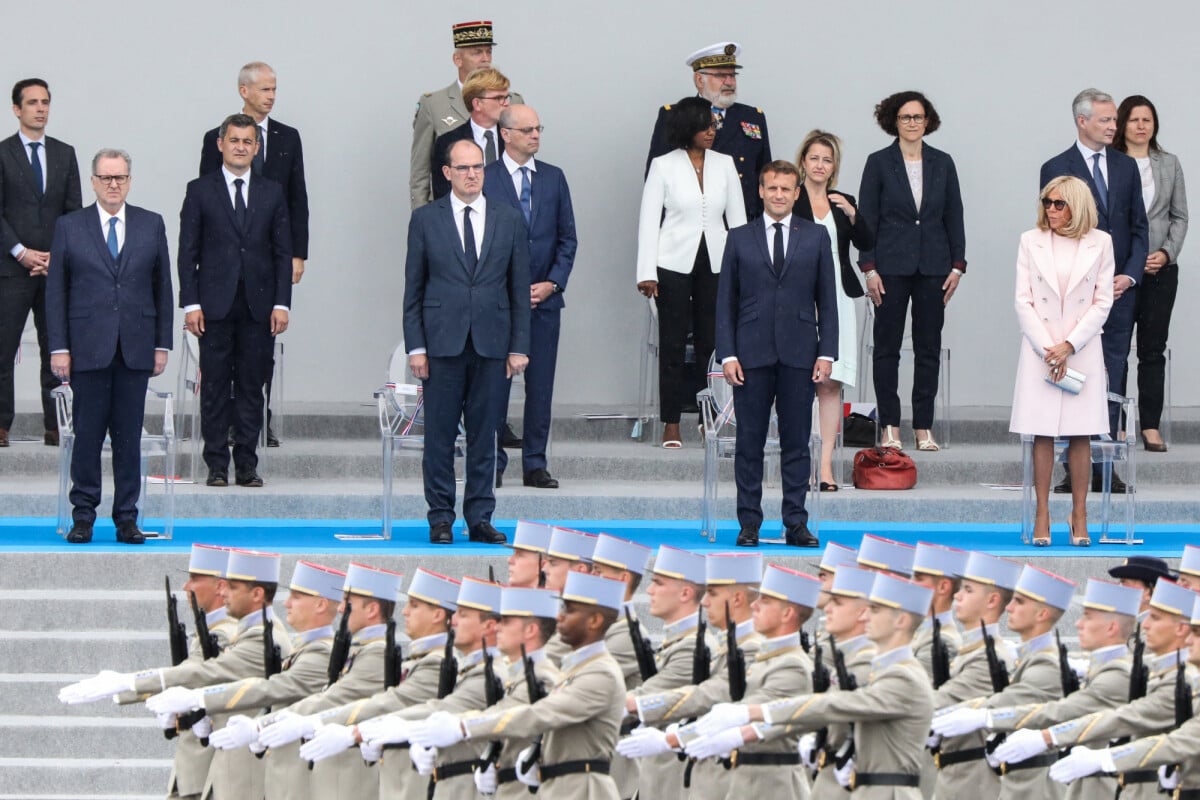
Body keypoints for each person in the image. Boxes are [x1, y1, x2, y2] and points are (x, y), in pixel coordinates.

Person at [59, 549, 291, 800]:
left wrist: (127, 683)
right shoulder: (244, 631)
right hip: (219, 766)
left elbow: (202, 674)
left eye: (196, 578)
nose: (187, 586)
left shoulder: (247, 634)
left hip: (234, 769)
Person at [686, 571, 936, 799]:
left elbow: (834, 705)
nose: (867, 615)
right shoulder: (884, 671)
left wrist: (754, 712)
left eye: (876, 609)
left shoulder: (904, 677)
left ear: (901, 620)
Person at [402, 138, 530, 545]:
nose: (472, 174)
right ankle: (440, 518)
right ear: (447, 173)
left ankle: (479, 517)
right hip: (441, 344)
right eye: (463, 168)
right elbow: (414, 289)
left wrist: (519, 345)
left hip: (492, 343)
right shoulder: (426, 219)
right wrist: (416, 347)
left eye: (477, 167)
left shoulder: (508, 218)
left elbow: (518, 288)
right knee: (439, 437)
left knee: (485, 435)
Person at [405, 571, 630, 800]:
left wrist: (464, 727)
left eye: (569, 610)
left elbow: (541, 715)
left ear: (595, 620)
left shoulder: (601, 673)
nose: (560, 617)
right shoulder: (575, 670)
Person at [44, 148, 173, 544]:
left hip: (135, 347)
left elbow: (163, 288)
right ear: (94, 181)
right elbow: (56, 292)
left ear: (130, 181)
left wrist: (161, 344)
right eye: (106, 178)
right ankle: (83, 515)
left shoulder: (151, 224)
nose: (114, 185)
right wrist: (59, 347)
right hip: (87, 348)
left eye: (120, 178)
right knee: (87, 436)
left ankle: (127, 518)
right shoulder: (70, 226)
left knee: (128, 438)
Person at [146, 560, 345, 800]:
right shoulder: (298, 647)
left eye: (297, 597)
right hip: (242, 772)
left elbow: (269, 690)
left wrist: (195, 700)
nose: (287, 602)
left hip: (254, 777)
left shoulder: (310, 650)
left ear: (321, 604)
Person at [716, 161, 836, 547]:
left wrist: (828, 352)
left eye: (786, 189)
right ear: (761, 191)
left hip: (801, 352)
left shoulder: (816, 237)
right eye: (772, 188)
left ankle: (795, 523)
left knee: (796, 442)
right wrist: (727, 354)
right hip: (749, 354)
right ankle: (749, 522)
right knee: (749, 442)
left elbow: (828, 301)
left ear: (797, 192)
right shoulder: (738, 237)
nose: (779, 195)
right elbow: (725, 303)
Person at [1041, 88, 1149, 494]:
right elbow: (1053, 231)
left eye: (1114, 120)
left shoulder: (1126, 167)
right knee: (1075, 374)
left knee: (1114, 371)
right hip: (1076, 297)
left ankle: (1106, 467)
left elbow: (1139, 227)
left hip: (1119, 292)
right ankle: (1075, 466)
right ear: (1081, 121)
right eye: (1105, 120)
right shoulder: (1056, 166)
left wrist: (1130, 274)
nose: (1113, 127)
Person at [199, 61, 310, 447]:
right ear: (244, 91)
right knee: (221, 358)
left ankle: (258, 421)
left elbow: (298, 197)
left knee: (260, 352)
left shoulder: (287, 137)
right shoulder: (219, 136)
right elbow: (206, 196)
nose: (272, 96)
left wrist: (298, 254)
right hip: (227, 269)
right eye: (265, 89)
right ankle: (226, 424)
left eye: (275, 89)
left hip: (268, 262)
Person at [178, 113, 292, 489]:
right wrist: (190, 304)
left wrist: (282, 303)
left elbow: (281, 252)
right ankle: (216, 464)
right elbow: (186, 251)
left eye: (248, 142)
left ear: (256, 148)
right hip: (213, 306)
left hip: (260, 307)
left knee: (251, 385)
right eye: (234, 140)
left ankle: (246, 463)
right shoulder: (199, 190)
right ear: (220, 144)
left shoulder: (272, 191)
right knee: (213, 386)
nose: (241, 147)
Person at [858, 90, 966, 452]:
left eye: (918, 117)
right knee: (886, 347)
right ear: (893, 121)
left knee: (928, 348)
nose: (912, 124)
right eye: (905, 117)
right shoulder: (878, 162)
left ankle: (923, 426)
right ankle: (889, 424)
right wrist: (869, 268)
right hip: (889, 268)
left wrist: (958, 266)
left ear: (928, 121)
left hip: (934, 267)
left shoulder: (943, 162)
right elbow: (866, 219)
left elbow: (954, 215)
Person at [1010, 176, 1114, 547]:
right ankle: (1042, 513)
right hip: (1042, 350)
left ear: (1077, 206)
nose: (1051, 210)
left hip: (1081, 348)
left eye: (1059, 203)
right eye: (1047, 202)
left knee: (1080, 432)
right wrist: (1048, 348)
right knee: (1041, 432)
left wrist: (1070, 344)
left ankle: (1079, 513)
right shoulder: (1029, 240)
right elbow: (1023, 300)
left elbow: (1103, 301)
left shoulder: (1101, 243)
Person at [639, 97, 746, 449]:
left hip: (716, 262)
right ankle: (671, 422)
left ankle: (709, 418)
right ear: (688, 128)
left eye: (713, 125)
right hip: (671, 263)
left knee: (711, 344)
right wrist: (646, 271)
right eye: (704, 126)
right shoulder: (663, 165)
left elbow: (739, 222)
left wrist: (746, 270)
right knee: (671, 344)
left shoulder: (726, 164)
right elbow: (649, 220)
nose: (711, 132)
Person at [485, 105, 577, 490]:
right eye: (527, 130)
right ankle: (492, 462)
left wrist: (553, 283)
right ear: (505, 134)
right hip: (500, 303)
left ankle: (535, 463)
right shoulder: (486, 178)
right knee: (494, 387)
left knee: (541, 387)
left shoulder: (553, 178)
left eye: (539, 129)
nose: (535, 136)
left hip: (544, 302)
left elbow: (567, 238)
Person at [254, 562, 401, 798]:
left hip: (349, 783)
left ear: (372, 609)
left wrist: (264, 724)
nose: (341, 609)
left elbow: (334, 699)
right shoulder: (357, 651)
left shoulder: (375, 654)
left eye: (348, 602)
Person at [931, 565, 1074, 798]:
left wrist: (949, 715)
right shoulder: (1028, 658)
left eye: (1019, 602)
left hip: (1034, 789)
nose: (1008, 608)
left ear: (1041, 614)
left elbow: (1005, 702)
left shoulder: (1046, 665)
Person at [0, 78, 81, 448]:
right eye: (32, 102)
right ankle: (1, 424)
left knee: (57, 348)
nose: (40, 108)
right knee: (3, 347)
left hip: (53, 269)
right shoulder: (2, 153)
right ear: (17, 109)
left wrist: (56, 257)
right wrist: (21, 252)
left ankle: (56, 424)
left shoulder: (65, 153)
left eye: (45, 101)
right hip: (11, 268)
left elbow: (73, 212)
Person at [792, 130, 874, 490]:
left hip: (838, 297)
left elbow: (868, 243)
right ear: (803, 162)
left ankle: (824, 467)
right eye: (814, 158)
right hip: (798, 298)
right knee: (798, 382)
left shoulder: (843, 200)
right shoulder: (789, 198)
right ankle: (800, 464)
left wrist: (854, 215)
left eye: (827, 159)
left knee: (830, 384)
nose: (820, 165)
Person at [1112, 95, 1188, 453]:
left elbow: (1179, 216)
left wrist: (1165, 252)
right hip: (1120, 271)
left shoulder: (1169, 164)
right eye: (1134, 120)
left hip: (1161, 271)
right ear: (1122, 124)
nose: (1141, 126)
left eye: (1148, 120)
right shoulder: (1111, 162)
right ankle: (1118, 425)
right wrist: (1130, 259)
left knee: (1152, 350)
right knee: (1116, 349)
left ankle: (1151, 425)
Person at [930, 551, 1019, 800]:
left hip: (971, 783)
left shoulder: (987, 658)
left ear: (992, 600)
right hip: (957, 777)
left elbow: (936, 703)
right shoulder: (973, 650)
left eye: (968, 590)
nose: (957, 595)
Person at [645, 42, 770, 220]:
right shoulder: (673, 116)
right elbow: (656, 181)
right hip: (690, 225)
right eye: (720, 75)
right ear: (699, 80)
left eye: (732, 75)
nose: (729, 82)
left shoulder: (752, 117)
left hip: (743, 222)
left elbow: (766, 176)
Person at [410, 20, 524, 210]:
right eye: (477, 52)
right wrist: (423, 219)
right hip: (455, 211)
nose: (485, 59)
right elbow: (420, 171)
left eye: (488, 51)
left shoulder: (512, 101)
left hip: (507, 212)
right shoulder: (434, 104)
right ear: (457, 60)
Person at [430, 67, 512, 201]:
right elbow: (443, 194)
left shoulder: (513, 137)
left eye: (507, 97)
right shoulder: (447, 142)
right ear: (477, 104)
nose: (506, 104)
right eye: (499, 98)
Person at [1108, 555, 1173, 622]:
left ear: (1149, 591)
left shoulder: (1162, 629)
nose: (1119, 588)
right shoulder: (1121, 623)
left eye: (1124, 583)